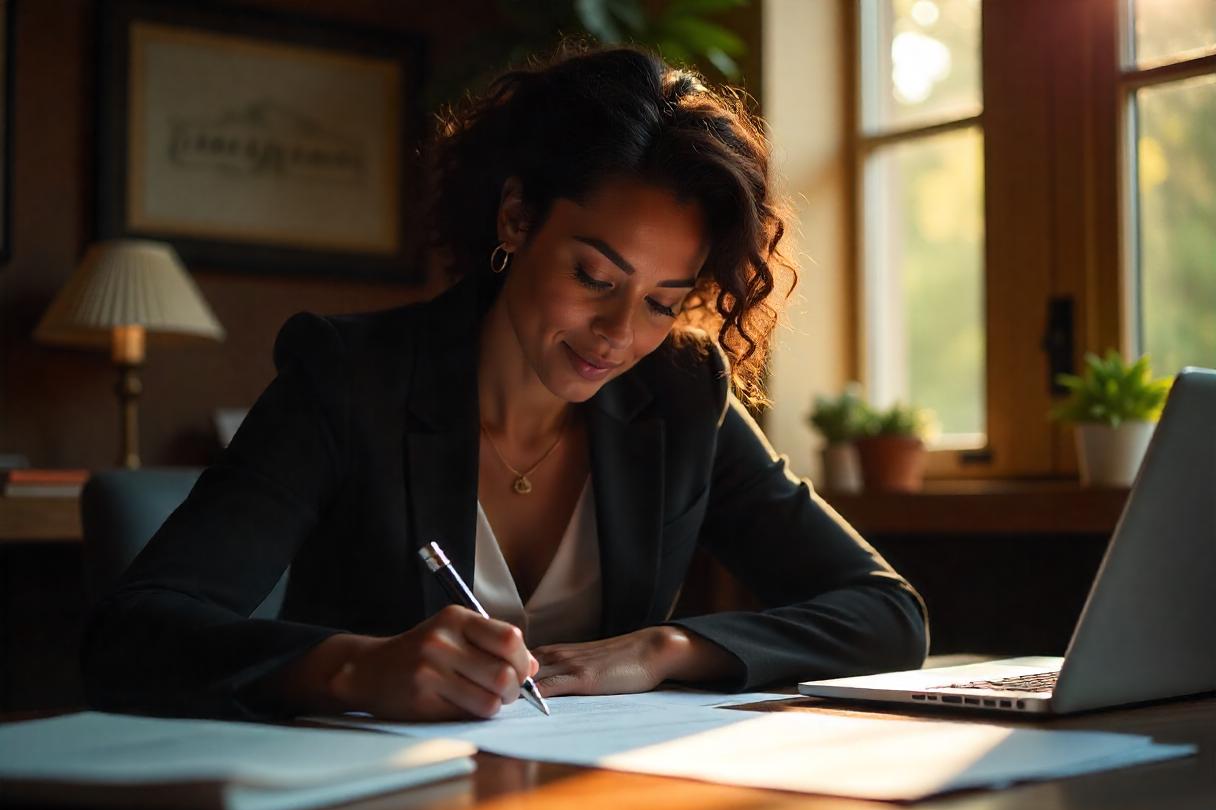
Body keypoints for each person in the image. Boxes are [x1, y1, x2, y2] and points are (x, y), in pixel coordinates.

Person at [82, 45, 928, 722]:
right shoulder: (351, 379)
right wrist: (352, 668)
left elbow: (885, 613)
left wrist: (661, 649)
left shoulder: (679, 392)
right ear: (517, 219)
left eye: (663, 303)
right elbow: (134, 633)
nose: (620, 334)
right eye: (596, 277)